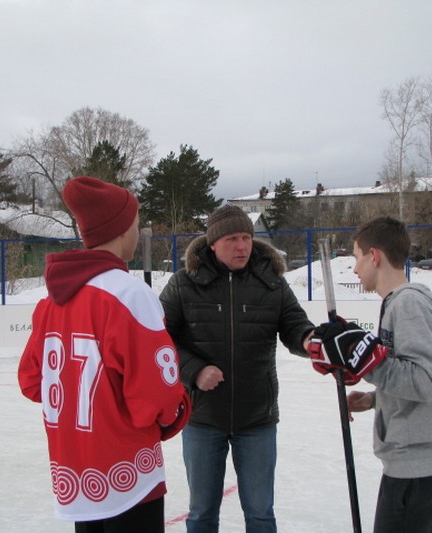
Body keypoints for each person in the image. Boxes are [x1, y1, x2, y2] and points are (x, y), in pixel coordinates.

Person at [18, 176, 190, 533]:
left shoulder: (51, 300)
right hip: (129, 477)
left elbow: (33, 382)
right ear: (123, 228)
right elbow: (157, 397)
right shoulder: (129, 294)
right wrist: (176, 410)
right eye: (137, 222)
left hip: (77, 477)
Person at [159, 203, 315, 533]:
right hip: (203, 418)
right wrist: (194, 371)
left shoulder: (271, 281)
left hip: (256, 418)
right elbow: (159, 341)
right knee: (201, 513)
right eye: (232, 238)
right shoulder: (183, 284)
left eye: (246, 237)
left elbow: (295, 326)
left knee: (260, 514)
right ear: (213, 243)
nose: (242, 246)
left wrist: (312, 340)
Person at [308, 216, 432, 533]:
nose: (354, 268)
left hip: (420, 466)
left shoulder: (409, 304)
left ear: (374, 256)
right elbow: (416, 377)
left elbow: (428, 381)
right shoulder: (399, 303)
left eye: (356, 256)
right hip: (416, 464)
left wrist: (367, 362)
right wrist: (375, 399)